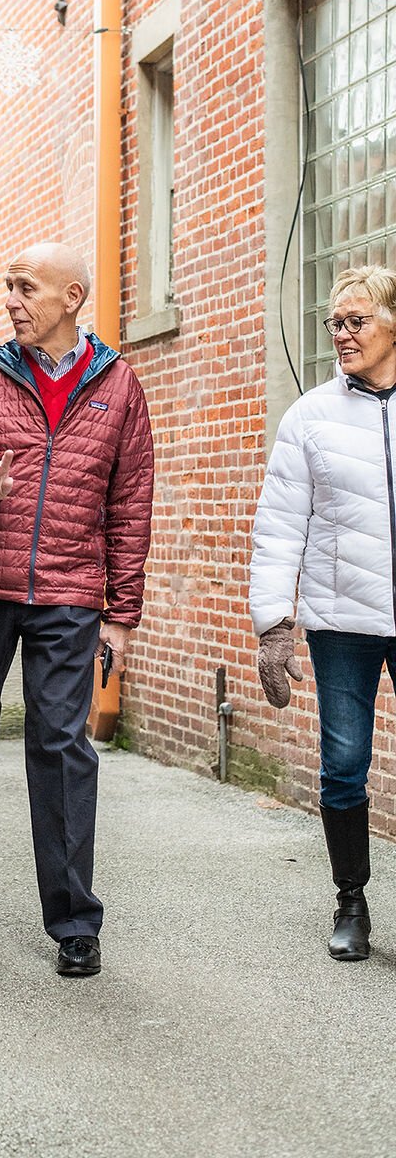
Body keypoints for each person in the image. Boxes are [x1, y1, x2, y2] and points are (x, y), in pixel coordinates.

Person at [0, 241, 154, 977]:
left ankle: (75, 921)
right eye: (8, 286)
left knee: (60, 746)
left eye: (27, 287)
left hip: (69, 594)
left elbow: (132, 503)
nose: (12, 299)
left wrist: (121, 612)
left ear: (72, 297)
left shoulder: (119, 387)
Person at [250, 264, 396, 963]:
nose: (341, 333)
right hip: (343, 620)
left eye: (356, 320)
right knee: (344, 763)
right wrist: (275, 623)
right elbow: (281, 527)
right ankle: (352, 901)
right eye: (334, 322)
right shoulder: (310, 416)